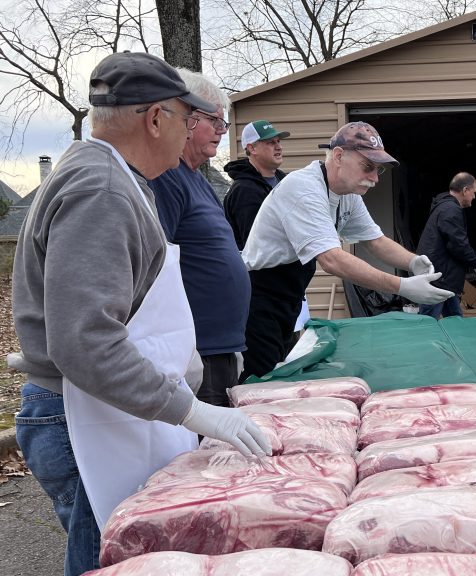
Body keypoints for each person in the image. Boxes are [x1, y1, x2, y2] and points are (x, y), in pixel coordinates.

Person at [9, 52, 269, 576]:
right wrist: (192, 411)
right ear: (155, 119)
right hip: (82, 414)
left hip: (107, 407)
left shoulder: (115, 177)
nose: (191, 131)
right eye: (188, 118)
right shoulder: (101, 190)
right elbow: (85, 342)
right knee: (111, 561)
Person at [239, 121, 453, 381]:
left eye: (378, 170)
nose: (375, 178)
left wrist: (414, 261)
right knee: (260, 381)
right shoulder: (303, 189)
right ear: (339, 156)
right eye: (368, 167)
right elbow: (332, 260)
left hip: (289, 294)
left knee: (281, 373)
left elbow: (375, 241)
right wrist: (402, 286)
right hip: (257, 295)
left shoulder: (347, 194)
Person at [148, 70, 250, 407]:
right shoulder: (166, 178)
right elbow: (156, 266)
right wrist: (186, 351)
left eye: (224, 123)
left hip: (218, 348)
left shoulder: (197, 179)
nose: (222, 131)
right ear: (186, 118)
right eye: (215, 121)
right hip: (195, 353)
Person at [415, 172, 476, 319]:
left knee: (455, 319)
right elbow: (458, 244)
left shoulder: (444, 206)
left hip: (445, 278)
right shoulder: (450, 209)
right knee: (428, 321)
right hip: (439, 279)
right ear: (465, 190)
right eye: (474, 192)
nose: (474, 197)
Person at [223, 120, 291, 250]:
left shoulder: (284, 180)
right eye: (271, 142)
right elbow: (256, 246)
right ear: (252, 148)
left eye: (278, 141)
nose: (279, 147)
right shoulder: (244, 191)